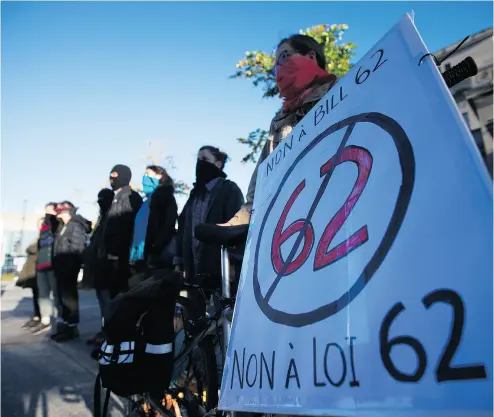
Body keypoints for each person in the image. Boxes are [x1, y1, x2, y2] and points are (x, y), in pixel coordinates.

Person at [219, 34, 337, 228]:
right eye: (275, 66)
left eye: (284, 56)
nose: (279, 69)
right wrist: (244, 218)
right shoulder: (279, 122)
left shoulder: (348, 88)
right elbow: (262, 177)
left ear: (310, 57)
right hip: (298, 223)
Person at [174, 146, 244, 284]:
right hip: (192, 268)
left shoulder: (229, 189)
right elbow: (183, 231)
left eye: (205, 159)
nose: (200, 163)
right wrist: (179, 261)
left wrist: (234, 263)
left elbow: (237, 227)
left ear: (218, 164)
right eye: (198, 159)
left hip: (221, 269)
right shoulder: (193, 196)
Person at [96, 164, 143, 299]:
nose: (112, 178)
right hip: (106, 257)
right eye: (111, 175)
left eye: (116, 175)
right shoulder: (111, 199)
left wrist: (118, 250)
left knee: (119, 296)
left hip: (120, 257)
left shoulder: (130, 197)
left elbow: (128, 227)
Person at [51, 201, 92, 342]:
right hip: (60, 268)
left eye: (60, 211)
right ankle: (64, 326)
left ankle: (71, 327)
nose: (58, 214)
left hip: (68, 268)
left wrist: (68, 267)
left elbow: (76, 248)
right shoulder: (63, 227)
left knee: (69, 298)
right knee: (62, 298)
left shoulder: (75, 226)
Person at [129, 165, 177, 274]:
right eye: (144, 174)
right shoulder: (146, 202)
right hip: (142, 256)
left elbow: (168, 225)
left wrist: (155, 248)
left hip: (155, 256)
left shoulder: (165, 196)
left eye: (148, 174)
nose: (144, 178)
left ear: (160, 176)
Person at [83, 188, 114, 346]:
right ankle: (104, 330)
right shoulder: (102, 217)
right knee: (102, 300)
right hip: (98, 264)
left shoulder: (111, 216)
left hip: (107, 265)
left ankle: (109, 333)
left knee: (108, 301)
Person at [30, 202, 60, 335]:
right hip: (41, 264)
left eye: (49, 211)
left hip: (53, 264)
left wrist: (54, 218)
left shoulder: (57, 225)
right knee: (43, 294)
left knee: (57, 293)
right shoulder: (43, 227)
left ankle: (61, 319)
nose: (47, 214)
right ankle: (45, 319)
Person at [16, 229, 41, 331]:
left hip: (38, 270)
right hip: (32, 270)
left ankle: (40, 316)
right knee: (36, 294)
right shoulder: (38, 238)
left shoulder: (42, 238)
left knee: (40, 295)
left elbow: (32, 249)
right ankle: (36, 315)